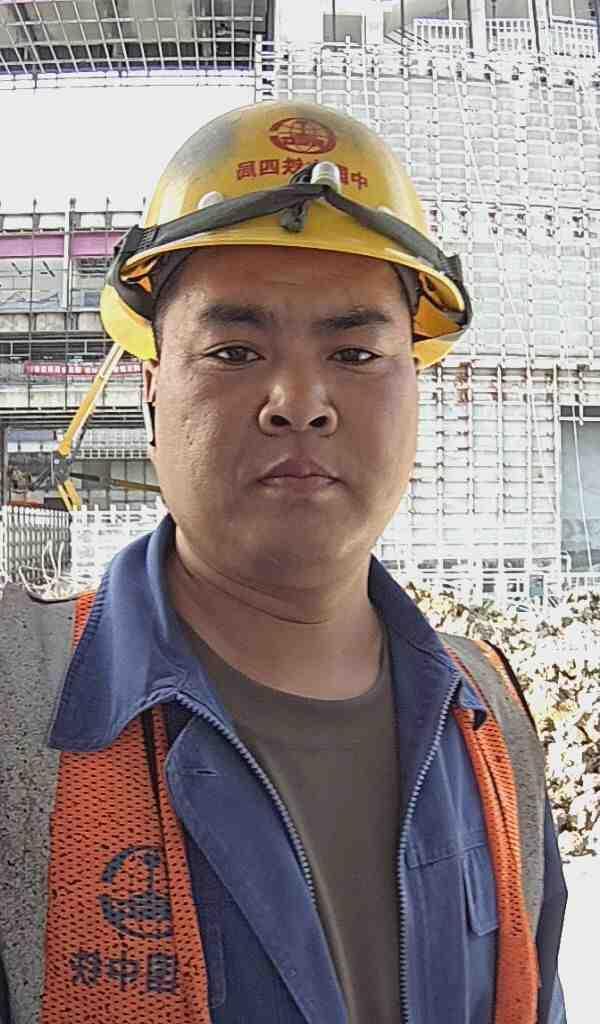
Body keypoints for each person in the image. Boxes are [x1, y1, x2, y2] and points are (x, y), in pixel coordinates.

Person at [0, 100, 567, 1023]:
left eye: (355, 352)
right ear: (151, 394)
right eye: (234, 350)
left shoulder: (489, 721)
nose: (299, 401)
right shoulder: (17, 707)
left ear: (415, 393)